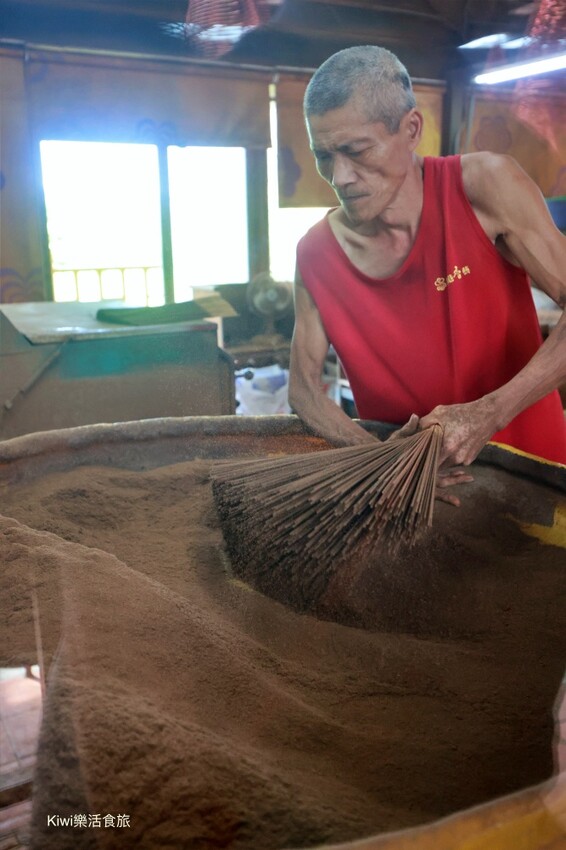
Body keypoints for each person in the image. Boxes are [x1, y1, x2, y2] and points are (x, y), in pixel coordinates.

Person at [288, 44, 566, 503]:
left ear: (411, 129)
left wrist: (487, 415)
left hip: (535, 479)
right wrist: (383, 464)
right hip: (414, 499)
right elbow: (303, 390)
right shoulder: (315, 254)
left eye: (356, 151)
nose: (340, 176)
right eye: (324, 156)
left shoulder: (484, 186)